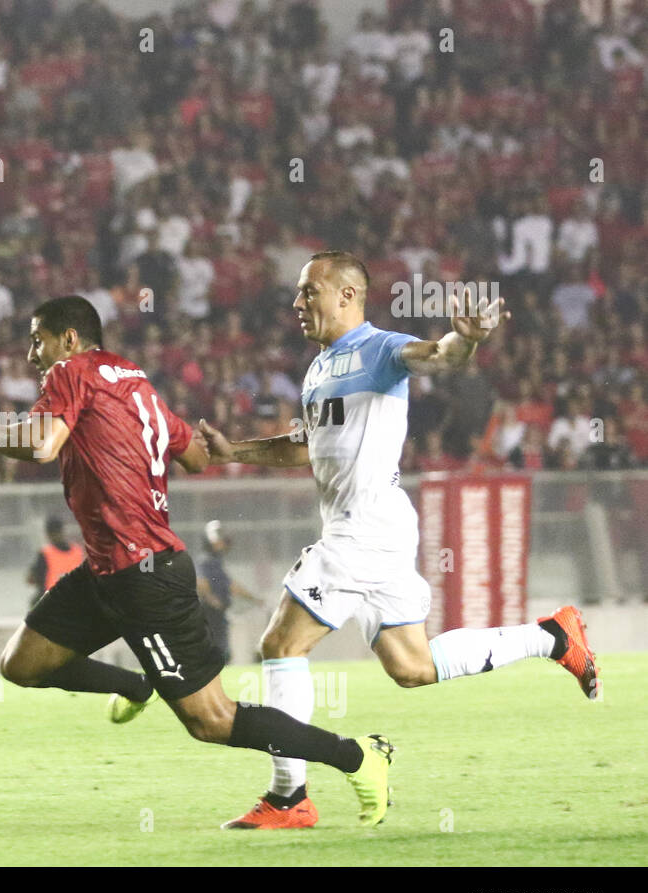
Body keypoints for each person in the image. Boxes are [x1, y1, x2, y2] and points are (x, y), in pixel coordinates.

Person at [0, 294, 396, 826]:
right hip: (107, 568)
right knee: (22, 663)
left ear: (69, 340)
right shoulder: (134, 382)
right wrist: (214, 447)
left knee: (210, 720)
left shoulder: (70, 372)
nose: (33, 354)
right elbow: (196, 456)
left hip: (145, 575)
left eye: (38, 340)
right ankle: (135, 684)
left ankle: (358, 757)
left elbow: (41, 446)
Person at [199, 251, 599, 830]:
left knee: (281, 645)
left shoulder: (381, 348)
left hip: (363, 528)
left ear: (347, 296)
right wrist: (236, 452)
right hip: (375, 527)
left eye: (309, 292)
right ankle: (552, 637)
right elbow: (306, 444)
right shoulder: (317, 369)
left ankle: (289, 797)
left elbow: (437, 356)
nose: (297, 303)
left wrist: (466, 342)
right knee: (411, 666)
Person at [194, 519, 261, 669]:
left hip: (217, 610)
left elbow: (230, 585)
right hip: (210, 611)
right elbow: (202, 581)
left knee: (221, 649)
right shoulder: (206, 560)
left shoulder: (215, 560)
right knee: (218, 650)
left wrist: (253, 598)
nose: (224, 544)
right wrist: (211, 599)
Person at [26, 515, 83, 608]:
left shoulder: (45, 553)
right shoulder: (78, 551)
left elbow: (31, 579)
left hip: (51, 602)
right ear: (62, 531)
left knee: (34, 602)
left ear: (47, 534)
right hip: (75, 600)